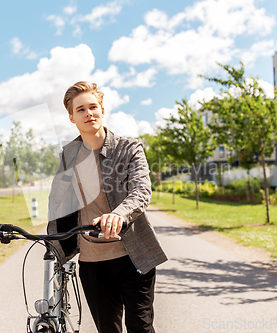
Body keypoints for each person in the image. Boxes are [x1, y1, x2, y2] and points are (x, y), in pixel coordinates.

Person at [47, 81, 167, 333]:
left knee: (140, 327)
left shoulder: (128, 148)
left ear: (102, 110)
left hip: (134, 255)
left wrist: (118, 214)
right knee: (107, 329)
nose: (88, 113)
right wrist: (52, 243)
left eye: (93, 107)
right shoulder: (69, 155)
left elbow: (141, 191)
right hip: (93, 262)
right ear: (71, 117)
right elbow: (57, 201)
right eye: (81, 109)